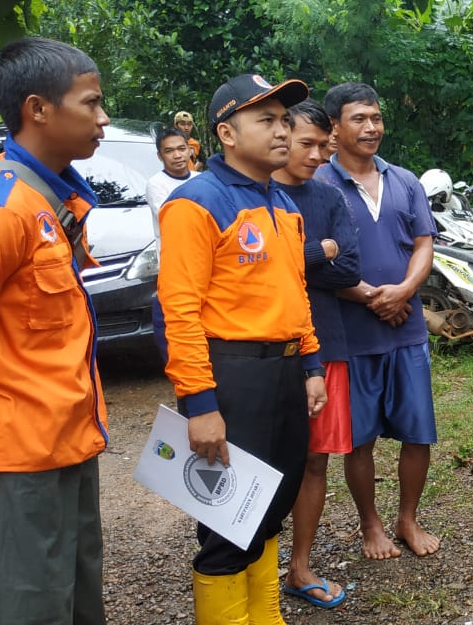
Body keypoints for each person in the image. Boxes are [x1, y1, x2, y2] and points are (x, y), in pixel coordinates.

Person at [155, 73, 326, 624]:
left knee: (269, 507)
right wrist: (200, 405)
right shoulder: (195, 203)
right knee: (228, 521)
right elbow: (177, 312)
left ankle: (266, 616)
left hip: (284, 374)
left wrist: (312, 362)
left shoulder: (283, 203)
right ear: (226, 133)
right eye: (267, 120)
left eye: (285, 119)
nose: (283, 131)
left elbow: (294, 293)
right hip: (232, 376)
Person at [0, 36, 109, 625]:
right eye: (90, 103)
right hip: (6, 460)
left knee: (72, 604)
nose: (103, 117)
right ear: (37, 109)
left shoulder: (53, 202)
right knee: (20, 610)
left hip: (66, 444)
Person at [313, 82, 442, 559]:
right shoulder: (318, 186)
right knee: (359, 438)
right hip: (351, 335)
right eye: (359, 119)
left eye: (376, 118)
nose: (371, 127)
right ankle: (371, 526)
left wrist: (405, 290)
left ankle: (407, 519)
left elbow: (424, 243)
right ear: (334, 127)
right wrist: (373, 297)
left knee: (418, 431)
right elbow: (314, 264)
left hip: (407, 329)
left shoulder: (406, 180)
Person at [272, 99, 360, 609]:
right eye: (306, 143)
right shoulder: (254, 195)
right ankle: (248, 562)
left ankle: (299, 566)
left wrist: (312, 259)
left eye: (322, 145)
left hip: (326, 342)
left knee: (315, 460)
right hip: (265, 349)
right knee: (261, 457)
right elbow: (258, 270)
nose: (315, 154)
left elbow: (348, 268)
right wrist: (314, 251)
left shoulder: (327, 197)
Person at [145, 127, 198, 231]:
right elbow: (172, 220)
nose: (177, 155)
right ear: (160, 156)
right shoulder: (156, 184)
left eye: (182, 149)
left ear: (190, 151)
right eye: (169, 151)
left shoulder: (201, 179)